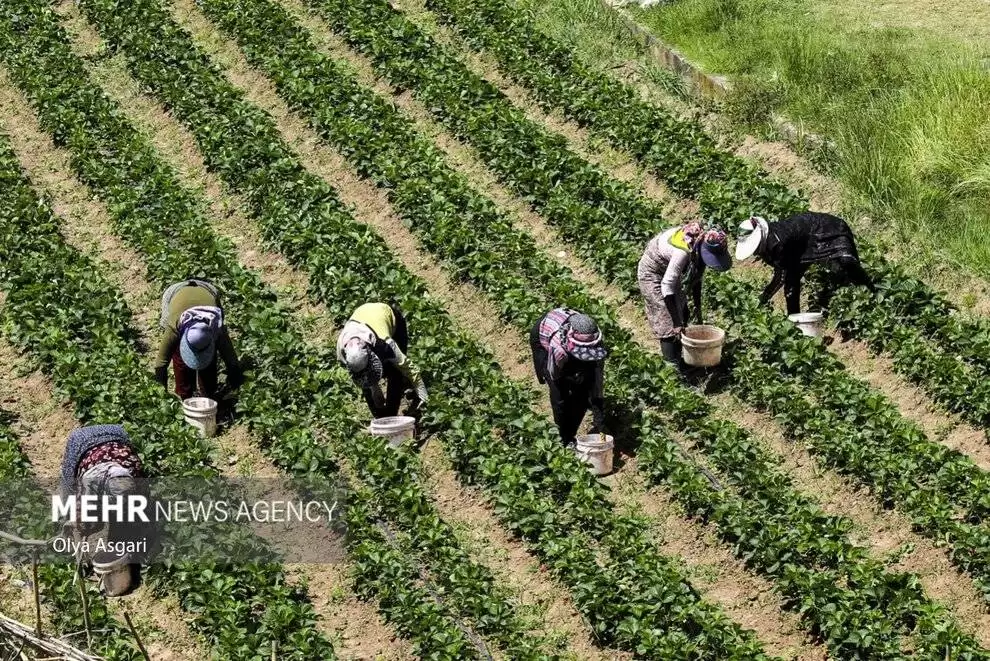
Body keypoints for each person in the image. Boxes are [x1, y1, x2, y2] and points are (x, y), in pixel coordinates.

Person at [58, 425, 149, 597]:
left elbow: (142, 506)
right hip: (82, 442)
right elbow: (79, 515)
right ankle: (81, 560)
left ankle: (124, 559)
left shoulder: (135, 474)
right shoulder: (90, 482)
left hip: (117, 435)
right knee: (81, 519)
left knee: (126, 519)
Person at [735, 212, 876, 314]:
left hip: (830, 229)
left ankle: (872, 292)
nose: (755, 252)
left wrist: (764, 298)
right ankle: (796, 321)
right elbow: (786, 276)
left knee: (847, 262)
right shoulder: (768, 246)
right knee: (791, 287)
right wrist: (765, 297)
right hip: (801, 246)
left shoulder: (778, 243)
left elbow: (783, 277)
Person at [637, 223, 732, 368]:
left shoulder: (699, 245)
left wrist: (698, 308)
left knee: (683, 309)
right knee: (667, 320)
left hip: (668, 270)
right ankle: (672, 368)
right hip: (652, 272)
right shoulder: (682, 253)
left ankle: (682, 355)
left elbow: (696, 277)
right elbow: (666, 285)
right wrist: (676, 323)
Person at [530, 308, 608, 448]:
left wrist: (600, 423)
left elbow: (596, 385)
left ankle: (570, 434)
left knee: (583, 395)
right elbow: (556, 379)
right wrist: (570, 379)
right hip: (543, 333)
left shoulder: (598, 347)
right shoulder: (558, 349)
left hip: (569, 337)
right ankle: (564, 439)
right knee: (560, 396)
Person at [154, 279, 243, 400]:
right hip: (174, 293)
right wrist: (161, 393)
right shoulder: (174, 326)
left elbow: (231, 360)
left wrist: (235, 390)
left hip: (208, 290)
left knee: (209, 362)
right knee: (179, 357)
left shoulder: (217, 328)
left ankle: (208, 394)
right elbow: (161, 363)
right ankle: (185, 395)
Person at [337, 302, 428, 418]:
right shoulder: (341, 352)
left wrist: (423, 394)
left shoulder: (385, 343)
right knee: (365, 383)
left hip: (387, 315)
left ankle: (392, 414)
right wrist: (374, 388)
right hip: (361, 315)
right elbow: (362, 375)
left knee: (395, 371)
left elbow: (407, 366)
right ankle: (380, 418)